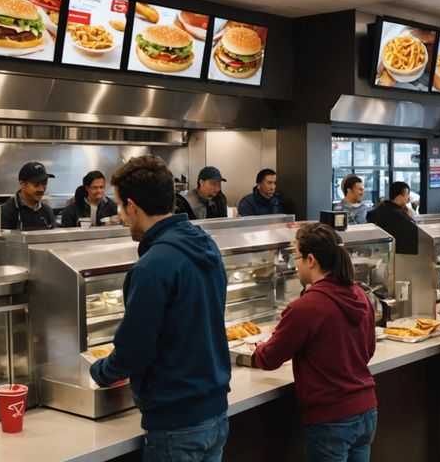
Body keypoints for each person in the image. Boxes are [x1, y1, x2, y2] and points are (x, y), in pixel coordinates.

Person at [89, 155, 230, 461]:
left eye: (120, 207)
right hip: (216, 412)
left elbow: (135, 352)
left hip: (176, 422)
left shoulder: (152, 266)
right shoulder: (207, 246)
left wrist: (98, 372)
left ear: (132, 206)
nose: (122, 217)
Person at [253, 223, 378, 461]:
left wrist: (256, 350)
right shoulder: (360, 294)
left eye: (297, 257)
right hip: (367, 410)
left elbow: (269, 358)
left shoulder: (306, 307)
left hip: (332, 419)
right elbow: (367, 350)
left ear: (311, 260)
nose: (295, 264)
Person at [0, 162, 56, 230]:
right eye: (36, 184)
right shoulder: (5, 212)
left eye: (44, 183)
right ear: (23, 185)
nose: (41, 189)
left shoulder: (47, 211)